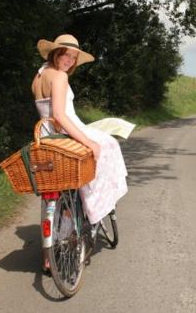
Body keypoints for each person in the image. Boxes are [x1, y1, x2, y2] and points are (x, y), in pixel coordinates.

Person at [31, 34, 128, 271]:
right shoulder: (60, 76)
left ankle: (48, 256)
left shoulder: (40, 75)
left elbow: (48, 115)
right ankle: (95, 209)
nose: (70, 61)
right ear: (56, 53)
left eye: (74, 58)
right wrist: (87, 141)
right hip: (64, 131)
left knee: (54, 192)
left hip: (45, 135)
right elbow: (61, 116)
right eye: (66, 55)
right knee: (107, 148)